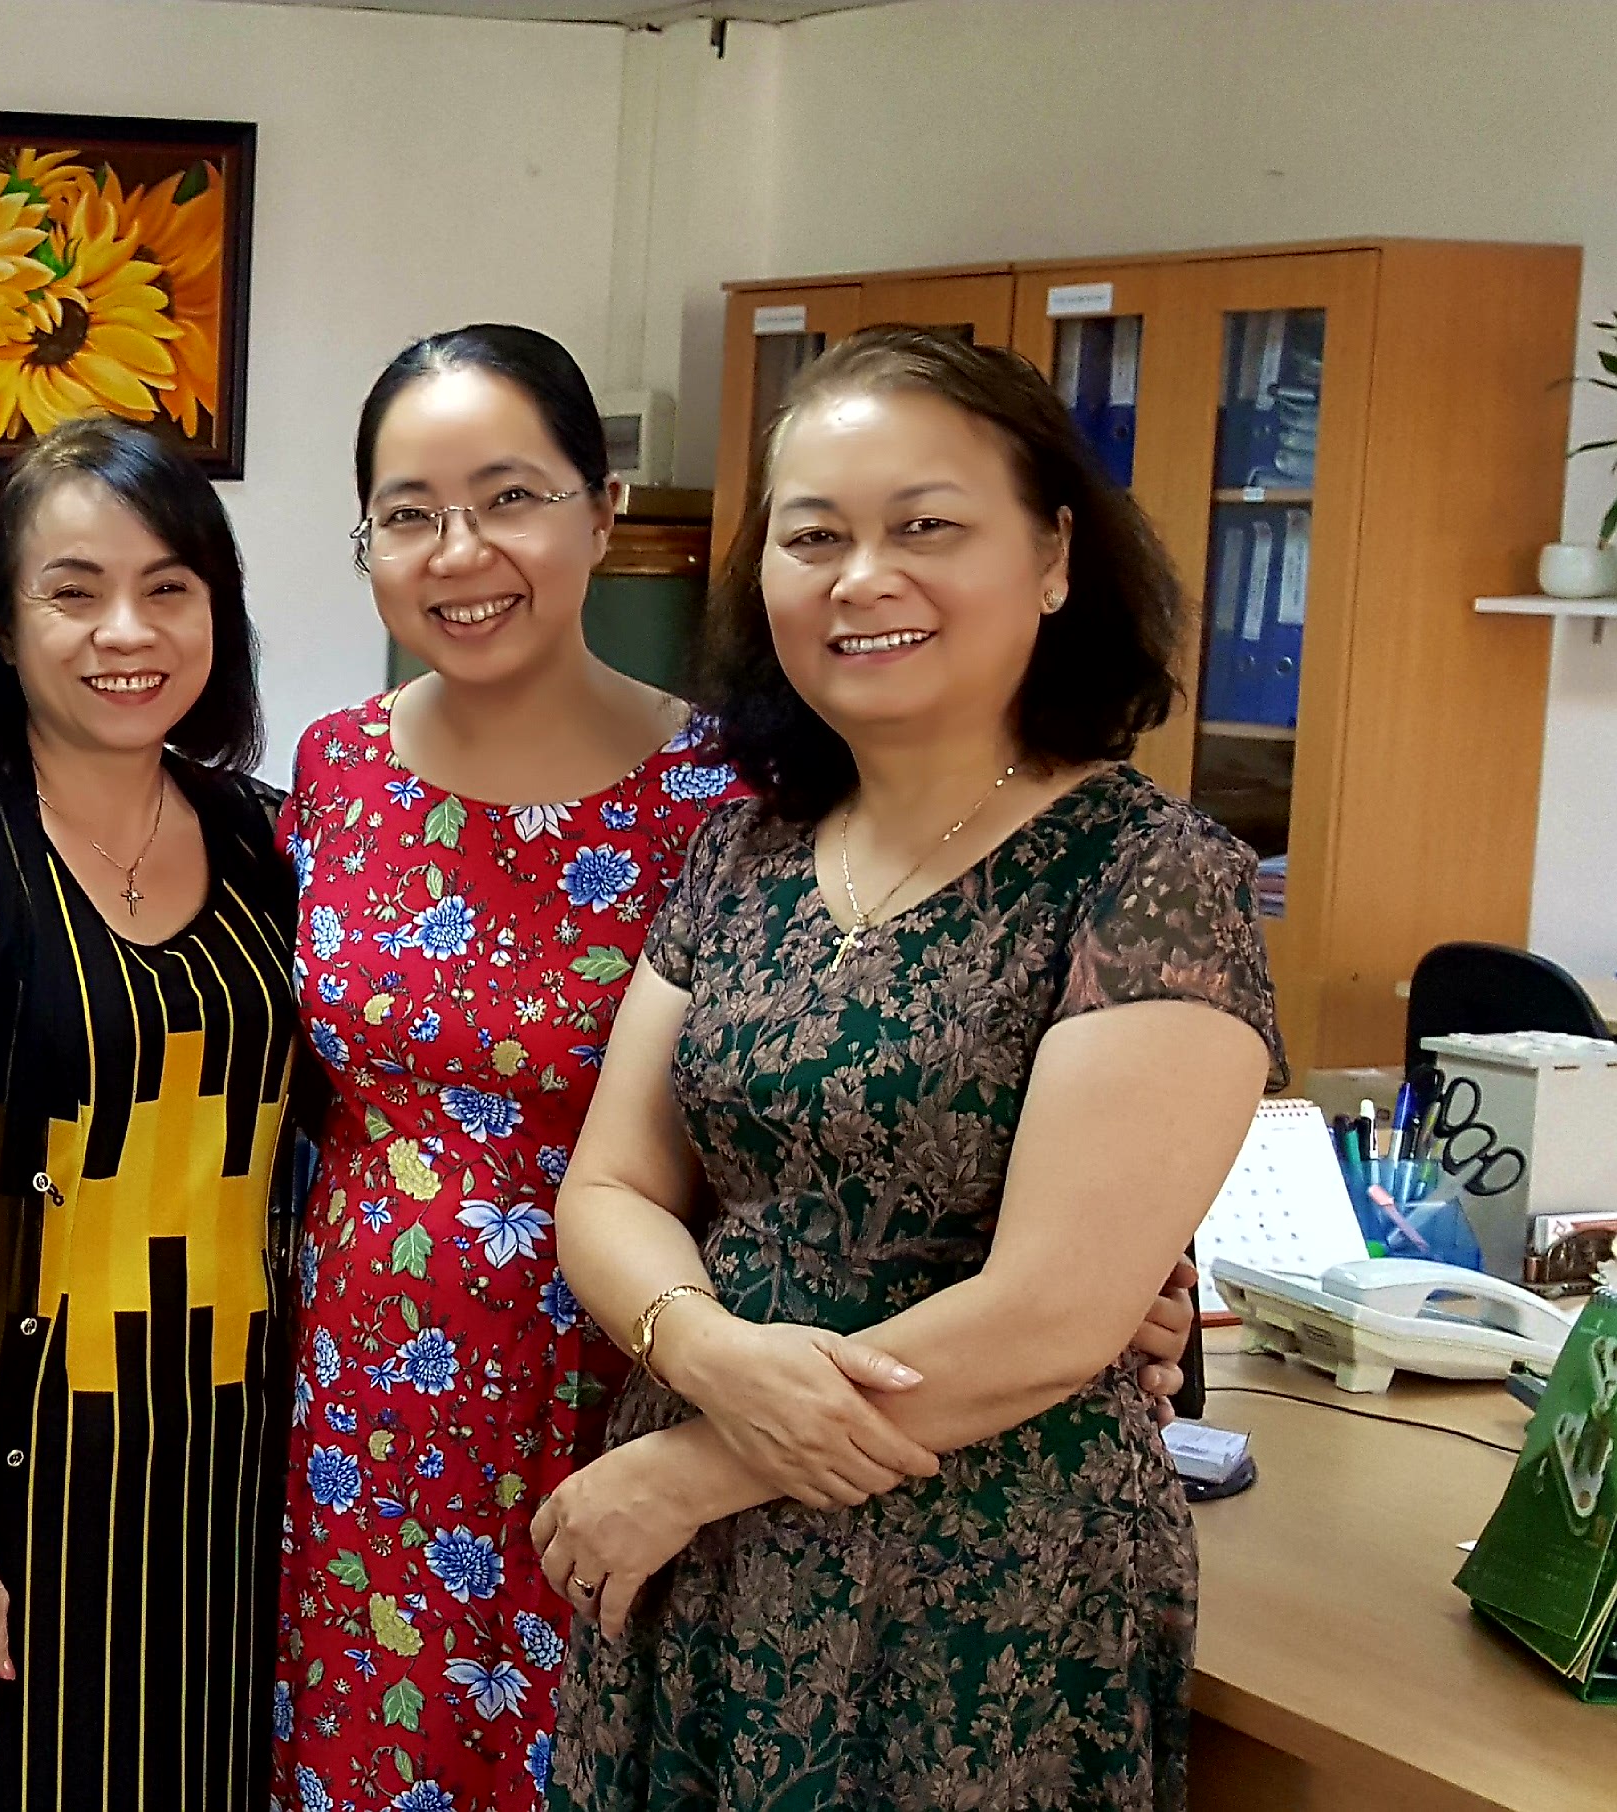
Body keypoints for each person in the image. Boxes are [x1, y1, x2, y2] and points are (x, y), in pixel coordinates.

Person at [271, 324, 1199, 1812]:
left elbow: (1005, 1196)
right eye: (407, 512)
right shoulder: (346, 776)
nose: (460, 550)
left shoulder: (726, 785)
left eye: (510, 497)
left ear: (603, 511)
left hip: (703, 1420)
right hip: (403, 1396)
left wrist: (1128, 1279)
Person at [535, 326, 1280, 1809]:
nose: (861, 578)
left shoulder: (1148, 875)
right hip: (701, 1558)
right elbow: (611, 1187)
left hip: (979, 1580)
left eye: (925, 527)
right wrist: (703, 1355)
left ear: (1053, 556)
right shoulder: (742, 852)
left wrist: (693, 1468)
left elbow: (1055, 1314)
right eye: (813, 537)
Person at [0, 416, 298, 1811]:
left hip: (228, 1465)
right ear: (3, 628)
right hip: (8, 1474)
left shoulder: (271, 839)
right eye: (73, 592)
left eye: (167, 588)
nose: (124, 632)